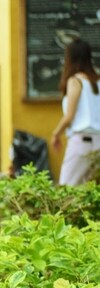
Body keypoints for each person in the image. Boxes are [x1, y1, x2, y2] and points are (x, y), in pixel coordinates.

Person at [51, 38, 100, 186]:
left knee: (66, 190)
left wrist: (55, 134)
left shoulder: (75, 81)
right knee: (91, 195)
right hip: (98, 142)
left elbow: (69, 116)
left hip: (82, 142)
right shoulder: (97, 80)